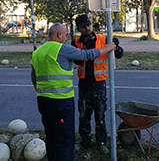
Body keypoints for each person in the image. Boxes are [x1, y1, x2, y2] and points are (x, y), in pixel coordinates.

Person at [31, 23, 116, 161]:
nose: (66, 38)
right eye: (65, 35)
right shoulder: (62, 49)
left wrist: (44, 93)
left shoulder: (37, 52)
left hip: (43, 102)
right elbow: (86, 55)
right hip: (61, 103)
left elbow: (34, 79)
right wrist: (107, 48)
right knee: (65, 139)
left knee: (51, 136)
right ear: (59, 35)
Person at [71, 14, 123, 152]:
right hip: (84, 83)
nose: (87, 28)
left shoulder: (103, 39)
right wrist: (85, 50)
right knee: (84, 114)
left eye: (88, 25)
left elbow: (119, 54)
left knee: (100, 115)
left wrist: (116, 47)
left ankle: (101, 142)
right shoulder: (75, 42)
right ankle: (85, 141)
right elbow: (76, 60)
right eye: (84, 27)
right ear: (78, 28)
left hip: (99, 83)